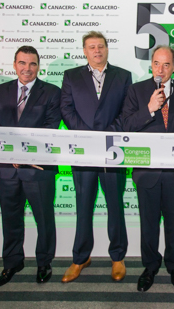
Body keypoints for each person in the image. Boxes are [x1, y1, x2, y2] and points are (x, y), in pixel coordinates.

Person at [0, 46, 61, 287]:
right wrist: (12, 153)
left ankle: (44, 262)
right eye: (22, 63)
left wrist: (24, 153)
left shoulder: (52, 92)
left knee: (44, 219)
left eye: (32, 64)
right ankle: (12, 263)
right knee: (11, 219)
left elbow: (50, 128)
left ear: (38, 66)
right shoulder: (1, 90)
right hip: (8, 168)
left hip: (37, 168)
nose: (27, 68)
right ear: (14, 64)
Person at [60, 31, 132, 283]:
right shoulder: (71, 76)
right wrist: (89, 137)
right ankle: (80, 258)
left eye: (100, 46)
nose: (97, 50)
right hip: (83, 152)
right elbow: (66, 109)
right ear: (84, 51)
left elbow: (127, 111)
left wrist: (107, 135)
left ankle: (118, 257)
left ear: (107, 49)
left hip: (113, 152)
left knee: (115, 207)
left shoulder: (123, 76)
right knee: (83, 207)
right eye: (92, 47)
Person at [122, 45, 174, 292]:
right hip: (146, 171)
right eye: (156, 64)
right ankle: (150, 266)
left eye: (166, 64)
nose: (160, 70)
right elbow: (126, 126)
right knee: (149, 224)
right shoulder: (136, 90)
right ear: (150, 65)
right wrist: (149, 108)